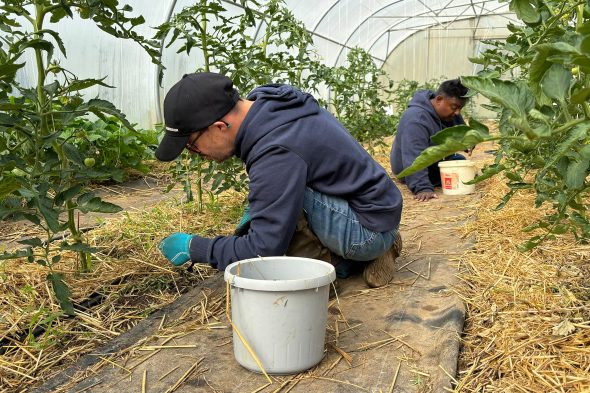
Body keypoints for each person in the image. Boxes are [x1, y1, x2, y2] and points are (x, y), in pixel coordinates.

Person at [155, 72, 403, 288]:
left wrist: (196, 248)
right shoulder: (269, 107)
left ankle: (360, 258)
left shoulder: (276, 149)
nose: (198, 156)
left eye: (192, 146)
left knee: (284, 204)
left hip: (369, 230)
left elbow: (262, 250)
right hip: (377, 208)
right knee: (272, 196)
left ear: (219, 126)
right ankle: (367, 249)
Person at [390, 79, 469, 202]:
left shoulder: (449, 112)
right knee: (456, 173)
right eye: (454, 107)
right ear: (438, 100)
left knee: (461, 162)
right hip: (409, 168)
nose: (457, 112)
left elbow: (462, 132)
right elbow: (413, 155)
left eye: (460, 108)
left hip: (432, 160)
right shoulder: (416, 119)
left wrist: (469, 142)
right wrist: (422, 187)